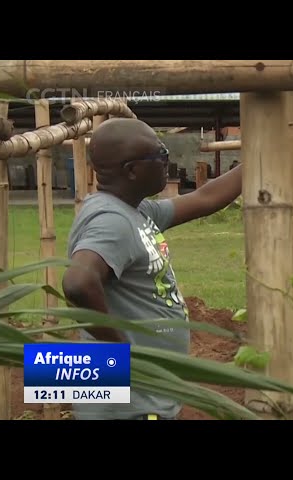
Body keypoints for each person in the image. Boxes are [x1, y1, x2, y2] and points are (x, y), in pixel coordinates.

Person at [62, 118, 242, 420]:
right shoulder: (111, 221)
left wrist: (259, 158)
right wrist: (120, 353)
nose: (167, 162)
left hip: (145, 397)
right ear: (132, 170)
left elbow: (205, 198)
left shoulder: (134, 210)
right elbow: (78, 283)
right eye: (161, 156)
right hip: (129, 407)